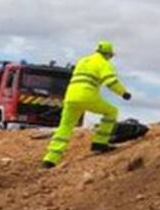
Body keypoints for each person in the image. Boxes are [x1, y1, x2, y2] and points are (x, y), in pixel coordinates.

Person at [42, 40, 132, 168]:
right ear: (108, 54)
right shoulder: (103, 63)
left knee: (65, 126)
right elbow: (111, 81)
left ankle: (50, 159)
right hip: (86, 95)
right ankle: (99, 143)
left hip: (70, 96)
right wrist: (124, 93)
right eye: (111, 56)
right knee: (112, 111)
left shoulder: (83, 60)